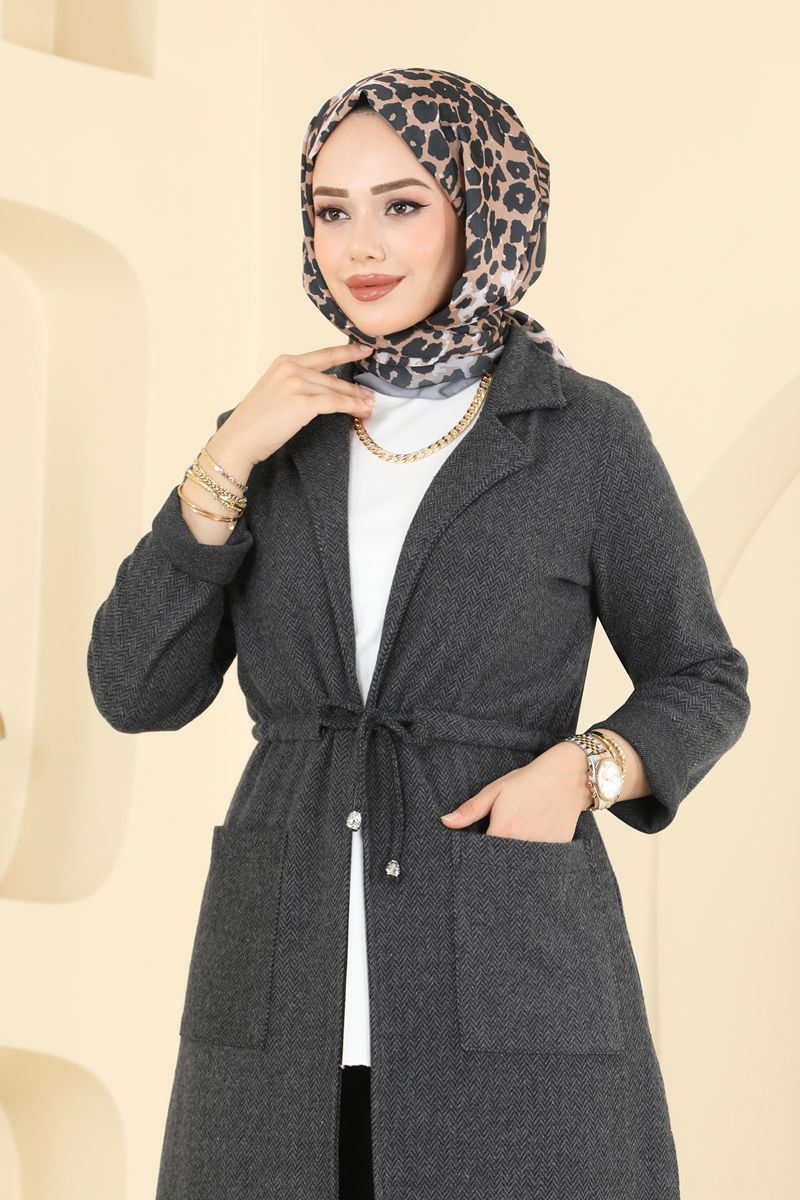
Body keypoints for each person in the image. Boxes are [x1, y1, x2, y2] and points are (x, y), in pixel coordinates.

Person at [87, 67, 750, 1200]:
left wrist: (581, 772)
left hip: (505, 973)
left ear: (480, 212)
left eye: (401, 204)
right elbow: (134, 687)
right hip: (278, 981)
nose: (361, 245)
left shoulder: (582, 433)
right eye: (330, 210)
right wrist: (227, 456)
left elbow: (702, 676)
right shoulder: (270, 435)